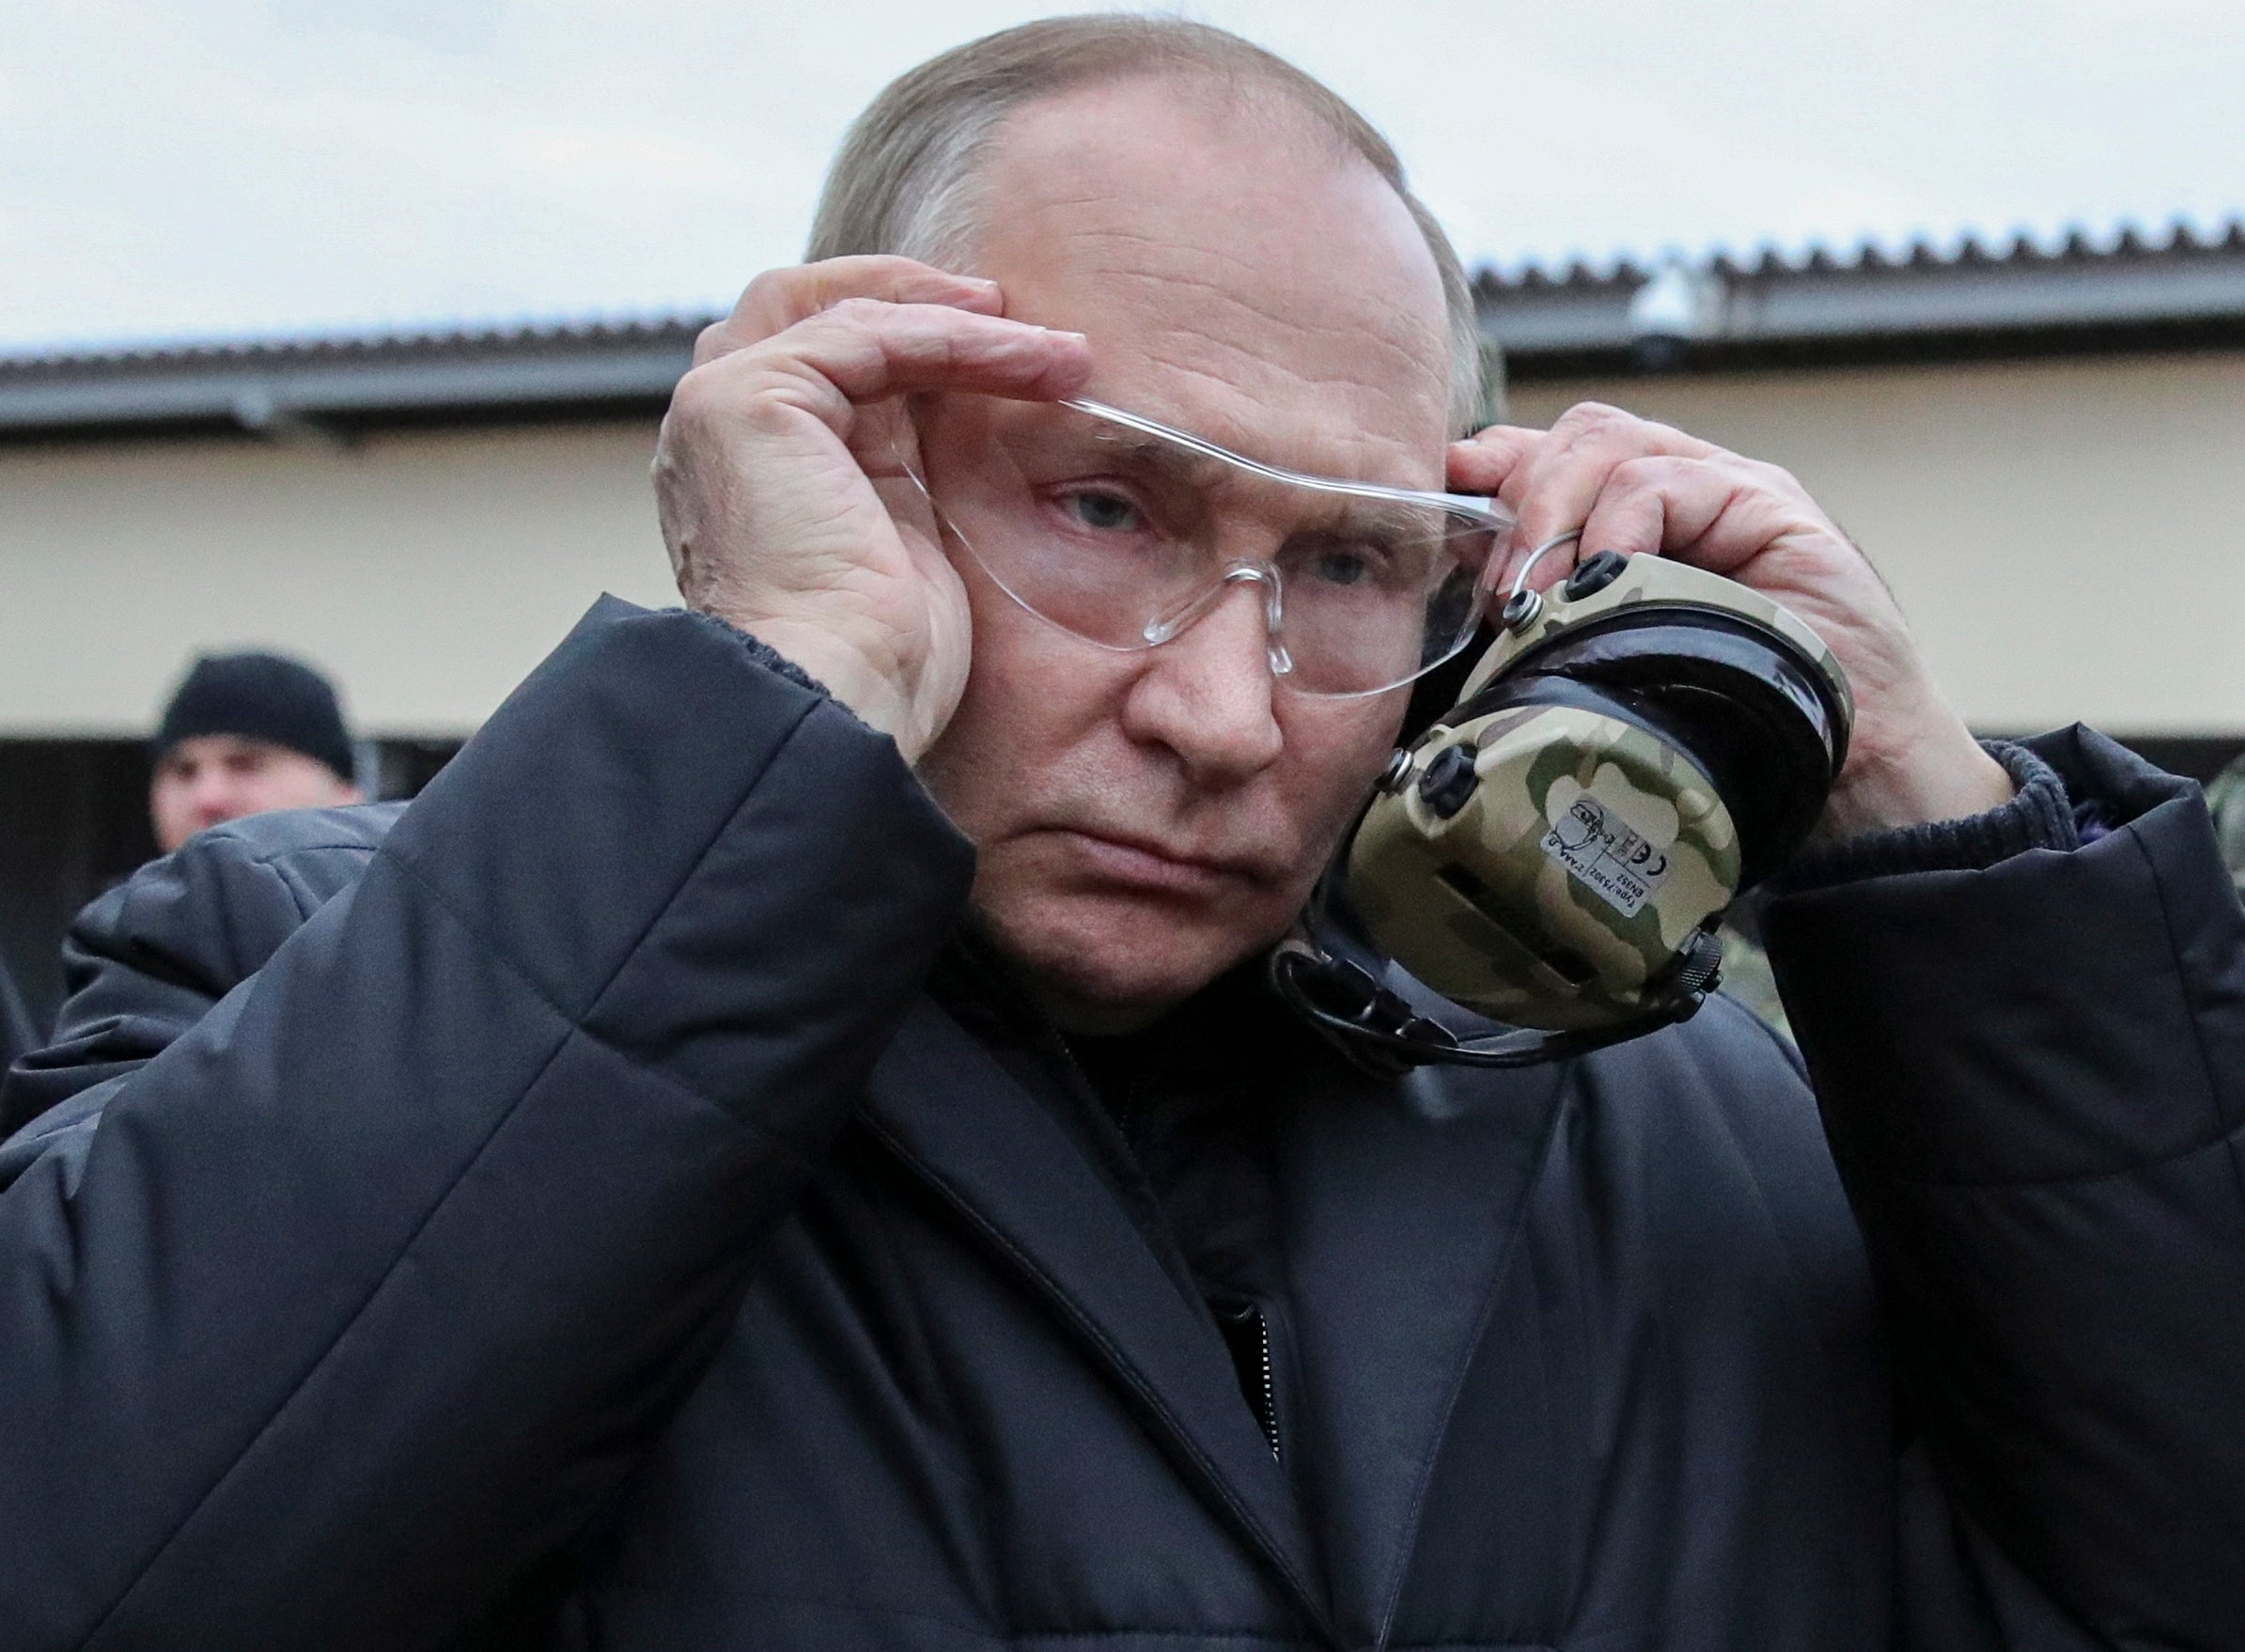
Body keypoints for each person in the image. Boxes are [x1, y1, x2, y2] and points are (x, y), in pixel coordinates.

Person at [2, 17, 2240, 1650]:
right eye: (1099, 502)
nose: (1219, 708)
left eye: (1350, 564)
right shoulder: (286, 974)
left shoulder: (1701, 1119)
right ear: (844, 443)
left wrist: (1927, 833)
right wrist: (774, 689)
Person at [148, 648, 363, 852]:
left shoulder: (386, 891)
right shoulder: (127, 892)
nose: (208, 798)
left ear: (342, 793)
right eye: (184, 771)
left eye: (244, 765)